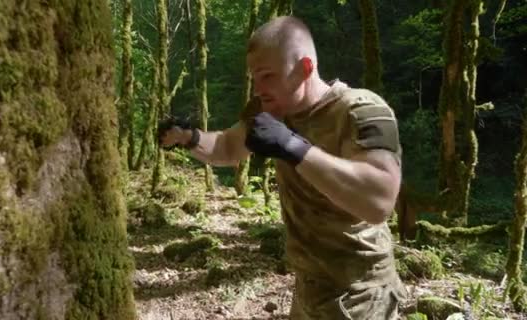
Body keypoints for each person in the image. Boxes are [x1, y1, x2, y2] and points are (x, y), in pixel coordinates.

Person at [159, 16, 407, 320]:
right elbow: (226, 147)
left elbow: (379, 200)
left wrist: (293, 147)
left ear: (304, 68)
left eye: (267, 76)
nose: (259, 88)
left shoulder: (361, 110)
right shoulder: (270, 111)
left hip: (361, 293)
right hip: (308, 286)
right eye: (254, 77)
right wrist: (188, 137)